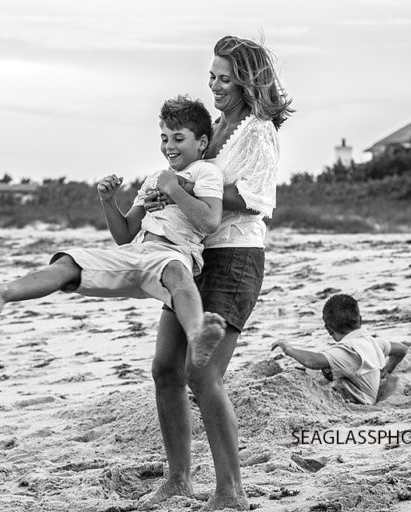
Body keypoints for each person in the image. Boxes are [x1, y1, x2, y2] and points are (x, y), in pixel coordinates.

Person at [0, 95, 227, 367]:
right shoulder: (155, 179)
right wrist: (108, 201)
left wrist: (175, 189)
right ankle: (1, 292)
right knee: (68, 261)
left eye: (178, 138)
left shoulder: (205, 173)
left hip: (173, 254)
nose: (169, 146)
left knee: (177, 273)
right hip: (136, 252)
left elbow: (210, 221)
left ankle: (197, 336)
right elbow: (124, 235)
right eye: (164, 138)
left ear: (202, 142)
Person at [141, 35, 293, 511]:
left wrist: (183, 188)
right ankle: (179, 480)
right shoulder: (214, 126)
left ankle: (231, 492)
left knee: (202, 372)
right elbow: (190, 179)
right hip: (195, 258)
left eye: (225, 78)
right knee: (166, 367)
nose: (215, 86)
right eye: (212, 77)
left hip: (236, 257)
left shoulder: (257, 130)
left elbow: (255, 197)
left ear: (246, 80)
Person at [271, 294, 409, 405]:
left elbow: (313, 361)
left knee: (317, 370)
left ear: (329, 330)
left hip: (358, 404)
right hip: (366, 393)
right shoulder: (374, 343)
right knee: (326, 369)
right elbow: (402, 349)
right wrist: (387, 370)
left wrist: (289, 349)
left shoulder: (347, 351)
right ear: (360, 320)